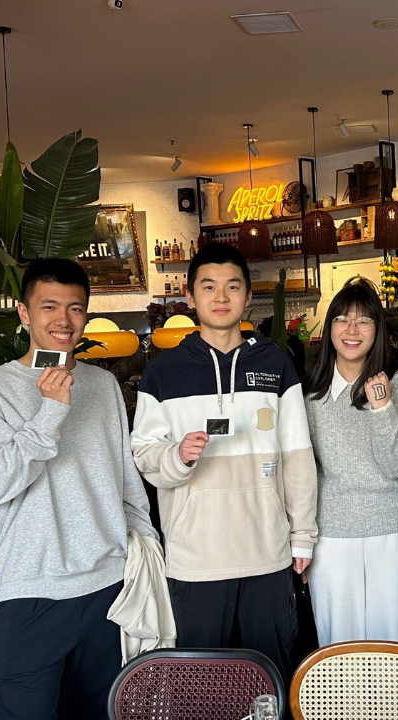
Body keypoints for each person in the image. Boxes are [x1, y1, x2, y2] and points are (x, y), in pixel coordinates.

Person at [0, 258, 158, 720]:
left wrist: (141, 543)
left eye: (75, 309)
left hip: (107, 590)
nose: (63, 320)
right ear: (24, 313)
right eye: (49, 306)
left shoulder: (104, 385)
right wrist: (49, 411)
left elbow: (125, 480)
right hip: (31, 592)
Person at [130, 242, 317, 680]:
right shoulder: (163, 372)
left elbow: (298, 457)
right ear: (190, 297)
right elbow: (143, 454)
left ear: (248, 297)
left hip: (267, 555)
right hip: (194, 559)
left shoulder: (276, 364)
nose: (220, 297)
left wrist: (303, 536)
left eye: (232, 287)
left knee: (268, 678)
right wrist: (176, 456)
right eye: (208, 287)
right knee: (201, 686)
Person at [303, 280, 398, 644]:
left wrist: (381, 407)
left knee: (396, 645)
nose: (351, 331)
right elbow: (305, 473)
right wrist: (302, 541)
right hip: (332, 535)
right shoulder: (311, 395)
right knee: (338, 646)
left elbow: (396, 465)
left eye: (363, 322)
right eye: (341, 320)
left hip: (394, 531)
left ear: (377, 330)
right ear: (329, 329)